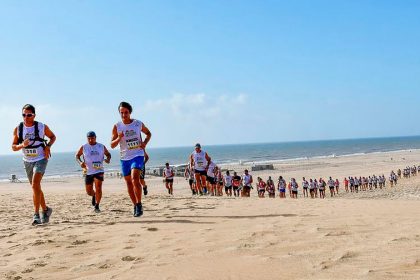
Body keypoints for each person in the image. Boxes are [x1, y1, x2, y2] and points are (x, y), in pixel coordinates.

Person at [11, 104, 56, 225]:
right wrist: (22, 145)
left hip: (41, 158)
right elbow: (13, 147)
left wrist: (47, 146)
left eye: (29, 115)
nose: (26, 117)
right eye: (24, 114)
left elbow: (52, 137)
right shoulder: (18, 128)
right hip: (27, 160)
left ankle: (36, 215)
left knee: (35, 184)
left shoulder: (41, 127)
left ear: (34, 115)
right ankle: (46, 210)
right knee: (35, 187)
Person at [111, 101, 151, 217]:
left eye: (126, 112)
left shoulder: (137, 124)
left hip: (137, 155)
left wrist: (144, 143)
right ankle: (135, 205)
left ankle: (139, 204)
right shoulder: (117, 126)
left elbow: (149, 133)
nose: (124, 115)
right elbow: (112, 145)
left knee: (135, 178)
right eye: (121, 113)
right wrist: (118, 138)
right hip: (124, 158)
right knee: (129, 183)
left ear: (130, 112)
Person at [75, 131, 111, 213]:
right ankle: (93, 195)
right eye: (89, 138)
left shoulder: (101, 146)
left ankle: (97, 206)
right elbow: (77, 156)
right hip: (88, 171)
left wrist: (108, 159)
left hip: (99, 170)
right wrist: (80, 162)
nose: (91, 140)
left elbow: (108, 154)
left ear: (95, 137)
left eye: (92, 138)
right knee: (89, 192)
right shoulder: (84, 147)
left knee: (98, 187)